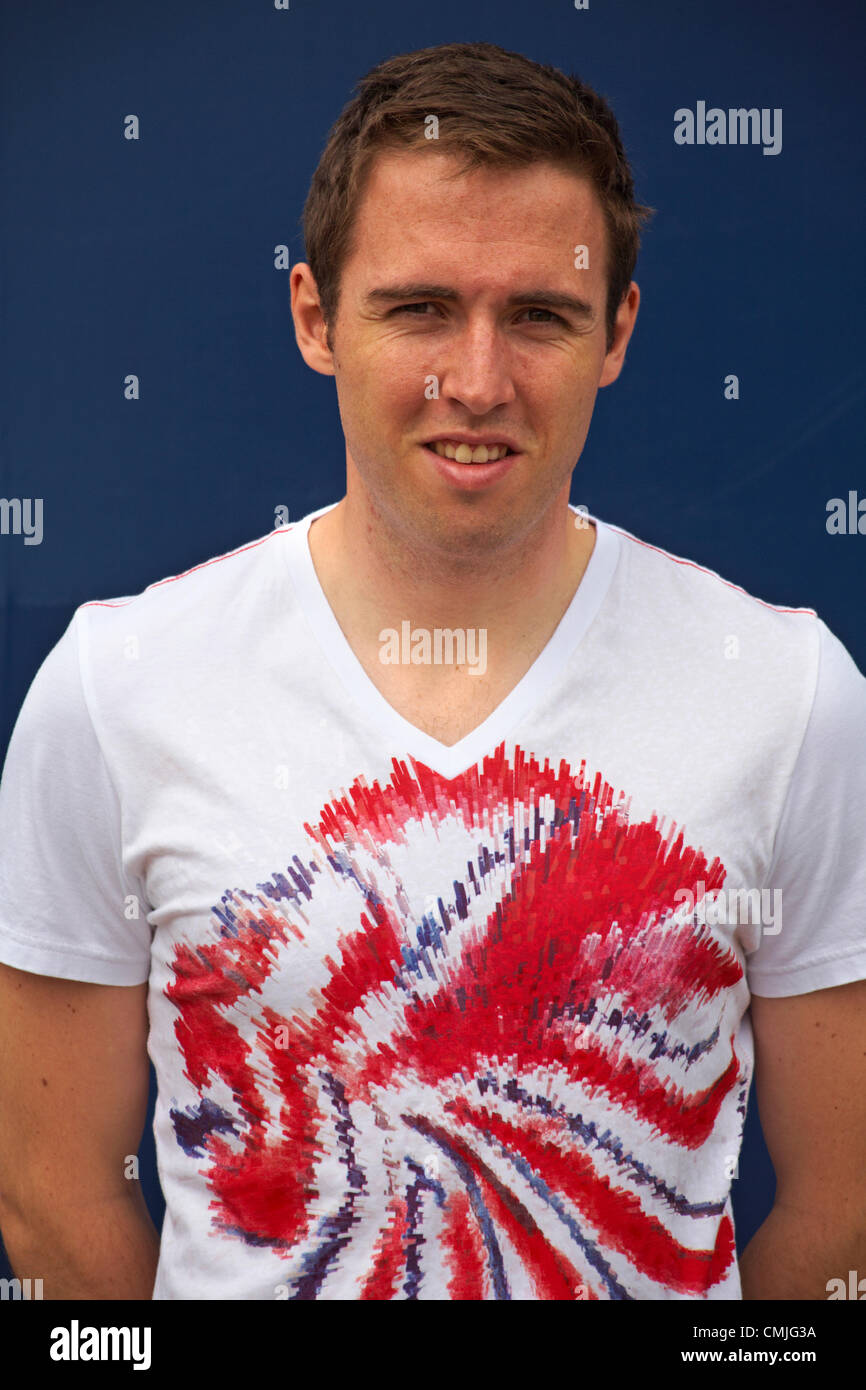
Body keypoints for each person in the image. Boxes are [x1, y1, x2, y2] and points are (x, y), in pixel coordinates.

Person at [0, 40, 864, 1303]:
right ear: (315, 319)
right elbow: (50, 1196)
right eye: (417, 309)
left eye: (539, 315)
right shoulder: (116, 683)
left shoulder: (788, 695)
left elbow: (841, 1212)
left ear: (615, 331)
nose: (477, 381)